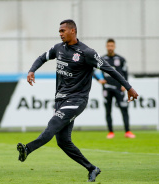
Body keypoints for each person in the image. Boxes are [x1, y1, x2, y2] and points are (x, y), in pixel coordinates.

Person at [16, 19, 139, 182]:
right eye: (59, 31)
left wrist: (129, 87)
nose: (60, 34)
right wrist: (32, 70)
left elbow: (110, 70)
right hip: (60, 99)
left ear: (72, 31)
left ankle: (27, 149)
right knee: (63, 141)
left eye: (62, 31)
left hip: (77, 99)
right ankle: (92, 168)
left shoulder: (87, 53)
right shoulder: (58, 48)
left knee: (53, 124)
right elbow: (42, 57)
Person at [94, 39, 135, 139]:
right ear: (106, 46)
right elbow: (91, 69)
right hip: (107, 88)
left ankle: (127, 131)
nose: (110, 48)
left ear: (114, 46)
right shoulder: (102, 59)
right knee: (108, 110)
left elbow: (125, 73)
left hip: (119, 88)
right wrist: (99, 79)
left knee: (124, 109)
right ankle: (111, 132)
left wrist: (125, 85)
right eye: (108, 46)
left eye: (112, 46)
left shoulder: (121, 59)